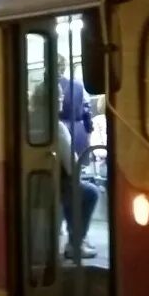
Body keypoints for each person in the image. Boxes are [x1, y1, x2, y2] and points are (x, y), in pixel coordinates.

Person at [57, 55, 99, 260]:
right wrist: (88, 132)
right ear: (64, 67)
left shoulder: (44, 87)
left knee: (72, 184)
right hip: (78, 134)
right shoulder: (77, 86)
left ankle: (75, 236)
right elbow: (86, 112)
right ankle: (77, 239)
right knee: (77, 183)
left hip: (64, 135)